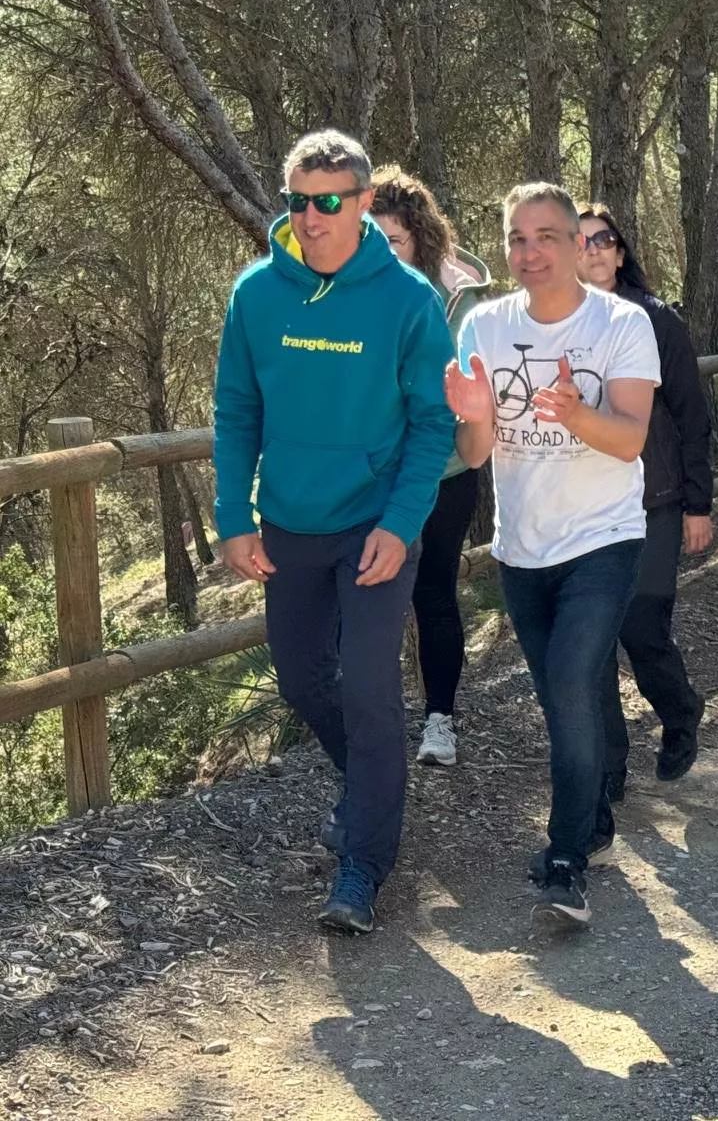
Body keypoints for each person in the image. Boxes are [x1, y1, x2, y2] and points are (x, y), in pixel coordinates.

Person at [213, 130, 455, 935]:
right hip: (288, 522)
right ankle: (373, 794)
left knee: (367, 686)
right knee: (300, 679)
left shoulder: (408, 300)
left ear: (359, 203)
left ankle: (362, 864)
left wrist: (401, 522)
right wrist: (232, 517)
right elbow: (237, 412)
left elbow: (431, 425)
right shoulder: (256, 294)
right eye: (296, 202)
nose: (309, 218)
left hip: (374, 525)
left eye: (326, 202)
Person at [446, 184, 660, 928]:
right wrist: (474, 419)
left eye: (545, 237)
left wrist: (576, 412)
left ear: (577, 245)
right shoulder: (485, 326)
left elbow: (630, 438)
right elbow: (477, 452)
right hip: (522, 546)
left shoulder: (621, 323)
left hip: (603, 537)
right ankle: (594, 809)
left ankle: (564, 861)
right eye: (516, 239)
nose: (529, 253)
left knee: (570, 684)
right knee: (561, 695)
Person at [577, 204, 714, 794]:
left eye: (603, 240)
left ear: (621, 250)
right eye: (580, 243)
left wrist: (697, 503)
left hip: (653, 499)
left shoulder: (657, 321)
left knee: (641, 625)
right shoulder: (556, 324)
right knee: (593, 638)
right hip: (582, 506)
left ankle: (680, 711)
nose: (594, 251)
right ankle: (610, 768)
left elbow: (692, 414)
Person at [368, 167, 492, 770]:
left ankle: (439, 718)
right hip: (372, 473)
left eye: (393, 238)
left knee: (434, 591)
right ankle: (375, 720)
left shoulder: (457, 295)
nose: (382, 249)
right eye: (372, 236)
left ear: (419, 237)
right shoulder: (344, 293)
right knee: (371, 592)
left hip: (443, 471)